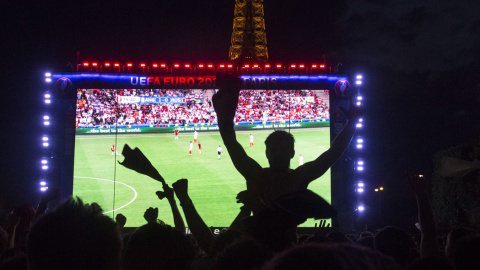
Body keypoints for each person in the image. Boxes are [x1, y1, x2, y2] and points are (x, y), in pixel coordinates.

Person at [212, 73, 360, 215]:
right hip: (283, 240)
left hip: (262, 239)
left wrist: (223, 112)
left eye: (282, 149)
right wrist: (352, 123)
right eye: (274, 149)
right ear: (267, 153)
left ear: (292, 153)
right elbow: (230, 141)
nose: (278, 153)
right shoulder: (297, 178)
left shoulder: (258, 175)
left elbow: (332, 153)